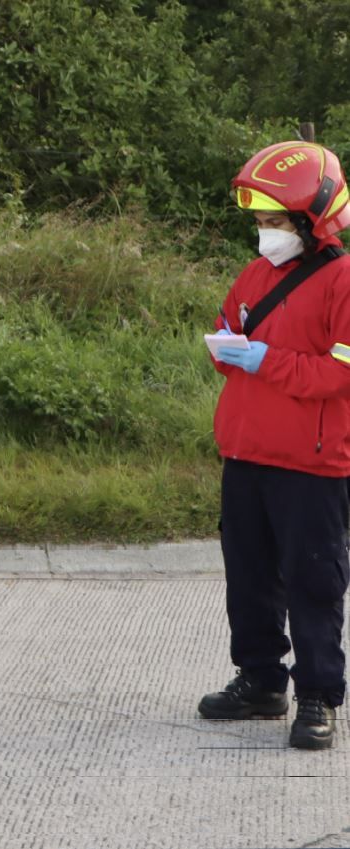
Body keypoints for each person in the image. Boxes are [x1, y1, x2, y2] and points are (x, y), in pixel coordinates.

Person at [198, 140, 350, 750]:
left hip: (311, 464)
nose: (264, 234)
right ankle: (261, 679)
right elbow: (233, 328)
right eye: (259, 223)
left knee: (314, 581)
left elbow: (339, 374)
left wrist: (264, 360)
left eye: (274, 223)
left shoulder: (342, 281)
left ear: (312, 222)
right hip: (246, 454)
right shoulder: (257, 273)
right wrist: (229, 347)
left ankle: (317, 695)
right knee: (250, 577)